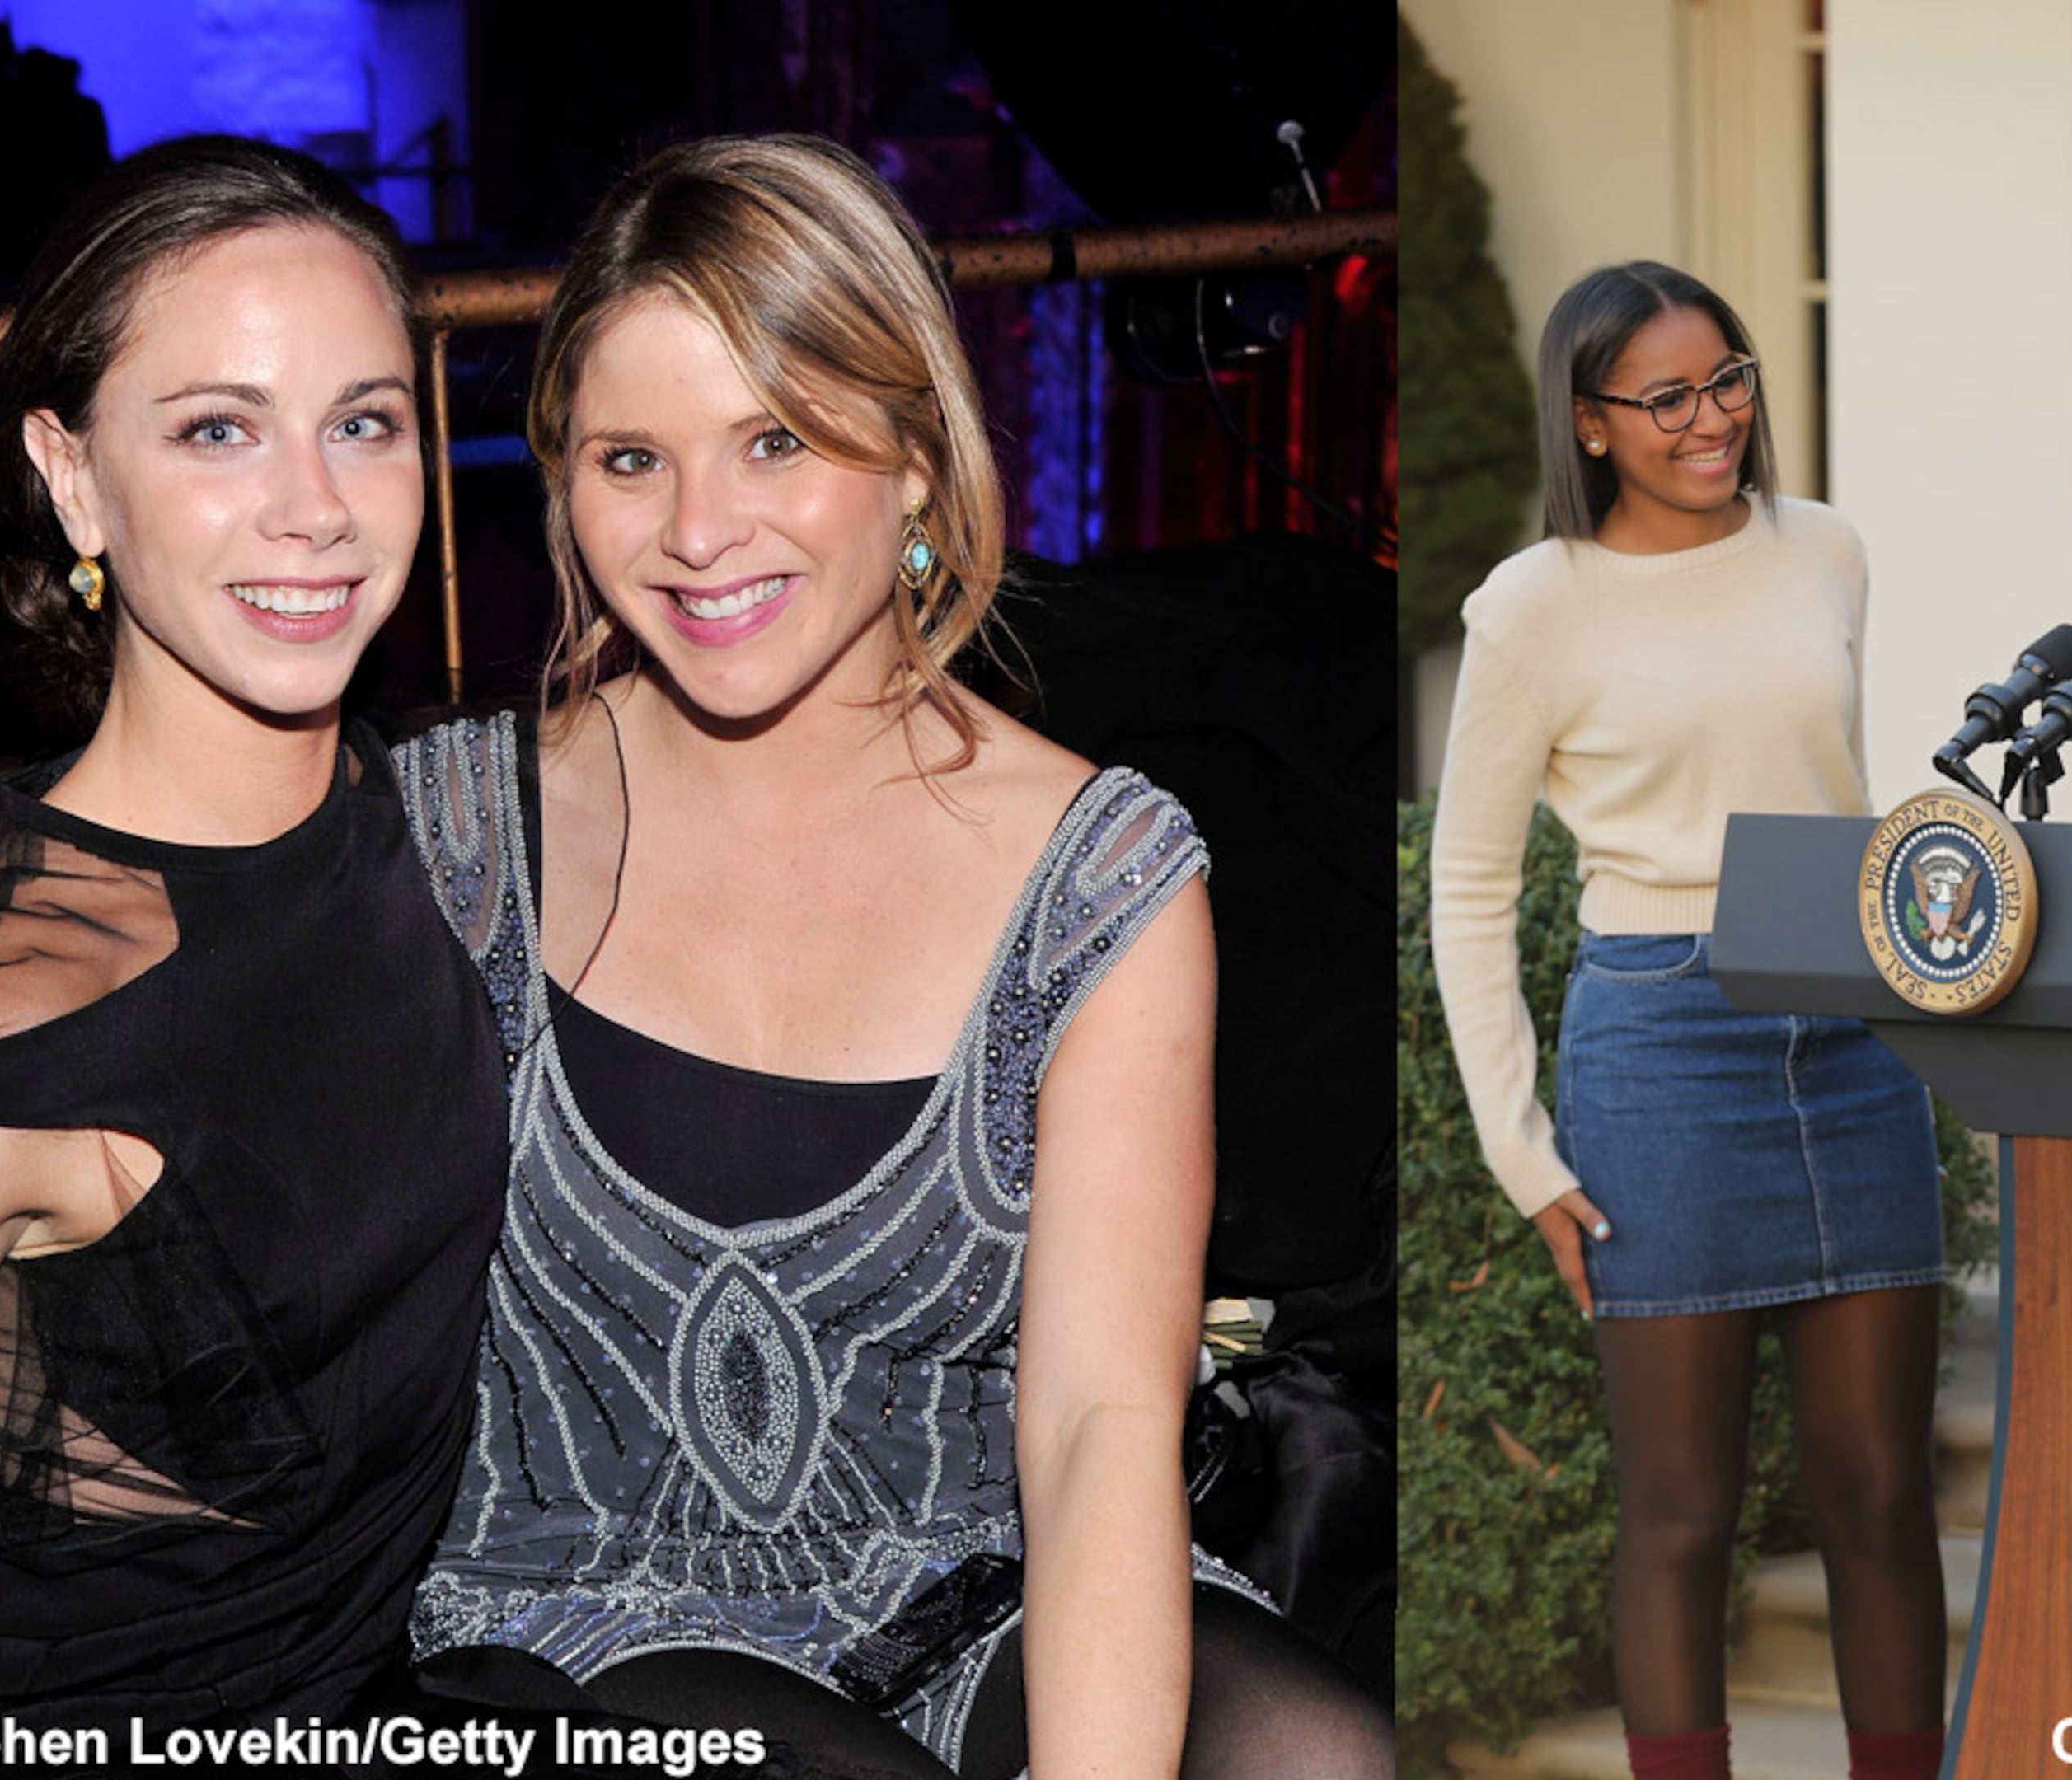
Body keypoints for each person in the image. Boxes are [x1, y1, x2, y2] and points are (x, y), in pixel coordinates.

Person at [399, 134, 1387, 1780]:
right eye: (629, 458)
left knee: (1318, 1760)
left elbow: (1094, 1429)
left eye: (773, 439)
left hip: (977, 1578)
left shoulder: (1102, 875)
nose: (700, 530)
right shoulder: (455, 835)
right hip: (576, 1615)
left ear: (915, 458)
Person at [0, 138, 509, 1745]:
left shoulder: (399, 804)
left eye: (365, 424)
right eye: (219, 430)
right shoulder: (12, 1022)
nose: (316, 510)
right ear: (74, 479)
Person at [1430, 261, 1950, 1780]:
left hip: (1856, 1038)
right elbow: (1468, 892)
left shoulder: (1828, 552)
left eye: (1727, 380)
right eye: (1664, 399)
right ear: (1588, 423)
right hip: (1659, 1051)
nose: (1710, 419)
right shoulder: (1533, 607)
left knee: (1879, 1494)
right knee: (1679, 1511)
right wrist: (1523, 1154)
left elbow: (1829, 792)